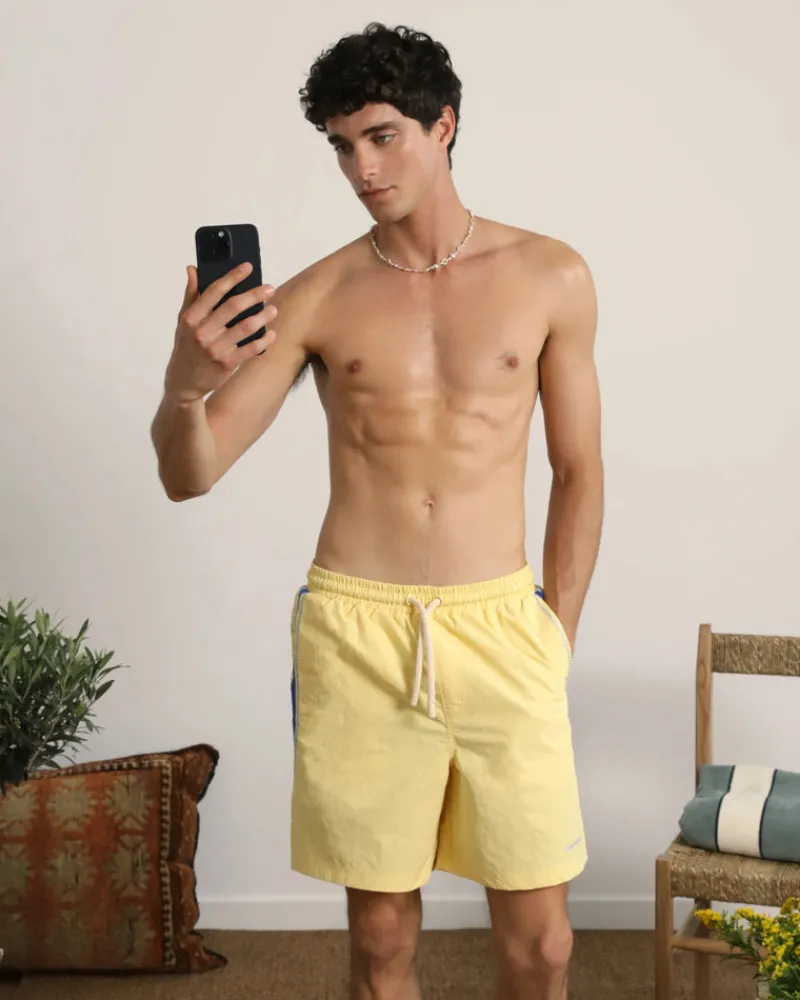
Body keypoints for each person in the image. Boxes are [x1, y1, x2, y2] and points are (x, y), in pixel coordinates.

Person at [151, 21, 603, 1000]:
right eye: (342, 144)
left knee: (544, 947)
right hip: (357, 631)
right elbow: (191, 473)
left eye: (382, 136)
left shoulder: (550, 276)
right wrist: (185, 387)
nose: (361, 167)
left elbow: (578, 470)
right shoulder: (316, 296)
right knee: (383, 943)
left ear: (445, 125)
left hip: (502, 626)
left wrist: (552, 638)